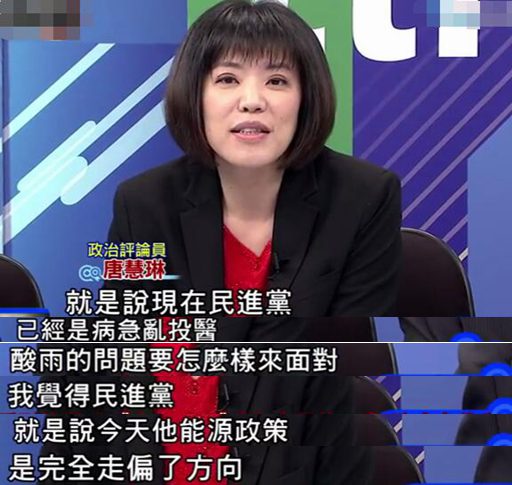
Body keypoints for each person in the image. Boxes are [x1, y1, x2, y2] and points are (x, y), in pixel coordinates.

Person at [106, 0, 402, 317]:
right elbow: (122, 336)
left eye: (276, 81)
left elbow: (355, 343)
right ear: (193, 95)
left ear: (307, 97)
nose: (251, 101)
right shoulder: (143, 203)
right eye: (227, 79)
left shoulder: (364, 196)